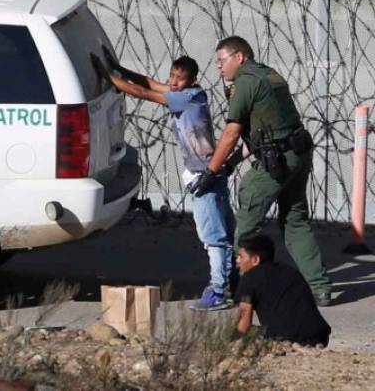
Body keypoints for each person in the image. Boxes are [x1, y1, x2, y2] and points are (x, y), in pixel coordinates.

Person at [191, 36, 332, 306]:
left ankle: (241, 287)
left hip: (278, 159)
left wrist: (212, 170)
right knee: (295, 221)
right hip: (297, 153)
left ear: (239, 57)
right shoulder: (270, 74)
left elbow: (232, 132)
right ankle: (320, 287)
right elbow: (260, 135)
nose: (219, 67)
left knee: (246, 224)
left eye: (222, 61)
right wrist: (231, 163)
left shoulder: (245, 81)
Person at [92, 50, 235, 311]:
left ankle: (218, 290)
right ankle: (228, 283)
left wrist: (109, 78)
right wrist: (120, 69)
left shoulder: (187, 98)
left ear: (191, 80)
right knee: (222, 232)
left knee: (212, 236)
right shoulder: (188, 93)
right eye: (171, 76)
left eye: (179, 78)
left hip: (205, 174)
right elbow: (149, 83)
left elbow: (145, 93)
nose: (172, 82)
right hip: (211, 170)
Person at [234, 233, 331, 346]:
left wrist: (232, 342)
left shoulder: (249, 278)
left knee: (248, 333)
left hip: (287, 339)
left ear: (255, 259)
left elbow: (244, 321)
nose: (237, 261)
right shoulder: (289, 271)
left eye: (241, 256)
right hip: (319, 335)